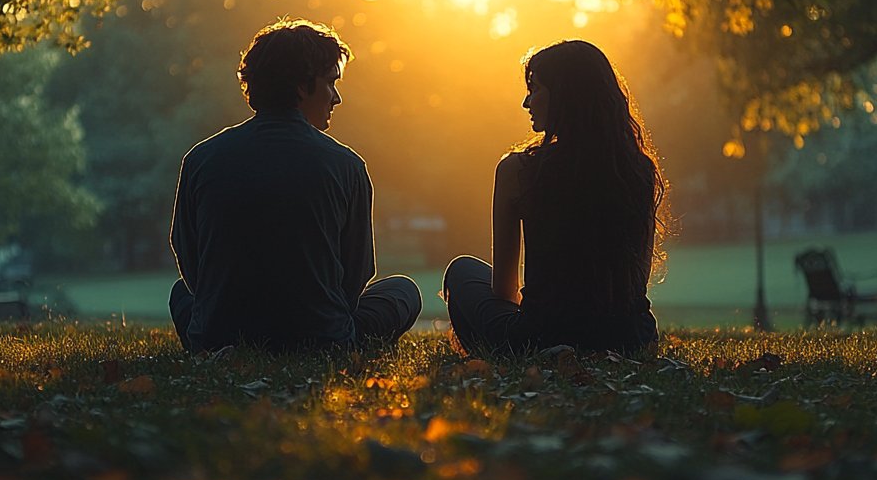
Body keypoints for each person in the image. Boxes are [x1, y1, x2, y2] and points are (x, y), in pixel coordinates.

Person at [169, 18, 422, 351]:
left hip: (219, 337)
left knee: (180, 293)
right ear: (302, 86)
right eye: (331, 82)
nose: (336, 98)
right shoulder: (347, 166)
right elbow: (357, 272)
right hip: (320, 339)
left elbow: (189, 260)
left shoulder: (200, 159)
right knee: (403, 291)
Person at [443, 40, 669, 356]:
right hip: (632, 339)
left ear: (564, 96)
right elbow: (637, 280)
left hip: (544, 337)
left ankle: (501, 353)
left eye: (534, 89)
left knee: (462, 271)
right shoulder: (637, 170)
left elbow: (503, 290)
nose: (526, 102)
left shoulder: (518, 171)